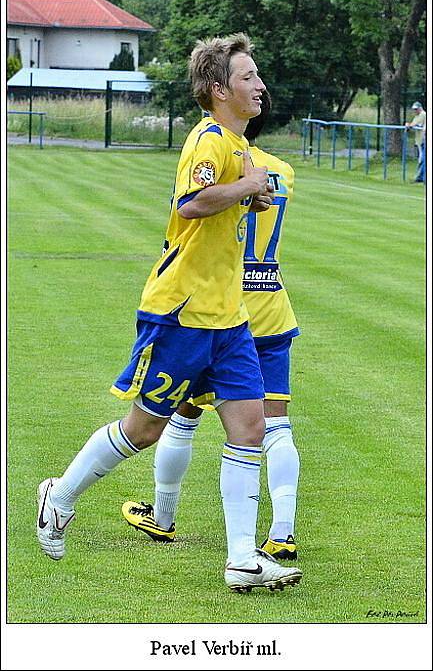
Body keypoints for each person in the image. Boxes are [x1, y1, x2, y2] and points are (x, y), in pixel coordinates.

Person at [36, 33, 303, 593]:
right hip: (180, 313)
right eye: (248, 77)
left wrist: (246, 191)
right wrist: (247, 186)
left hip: (228, 318)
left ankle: (242, 559)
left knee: (251, 426)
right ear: (218, 89)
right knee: (145, 429)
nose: (260, 85)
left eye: (258, 75)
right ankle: (58, 497)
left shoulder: (239, 145)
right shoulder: (209, 141)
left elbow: (223, 203)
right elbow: (191, 204)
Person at [122, 90, 302, 562]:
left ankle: (163, 515)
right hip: (272, 302)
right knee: (274, 422)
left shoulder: (231, 161)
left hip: (222, 306)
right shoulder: (280, 171)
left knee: (183, 413)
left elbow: (195, 209)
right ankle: (282, 530)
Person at [405, 101, 426, 182]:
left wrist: (409, 125)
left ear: (420, 108)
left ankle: (420, 178)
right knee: (421, 159)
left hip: (422, 140)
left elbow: (416, 125)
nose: (415, 111)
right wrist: (409, 126)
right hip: (418, 141)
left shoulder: (423, 114)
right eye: (414, 109)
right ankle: (420, 177)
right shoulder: (416, 116)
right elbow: (412, 125)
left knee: (422, 159)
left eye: (416, 109)